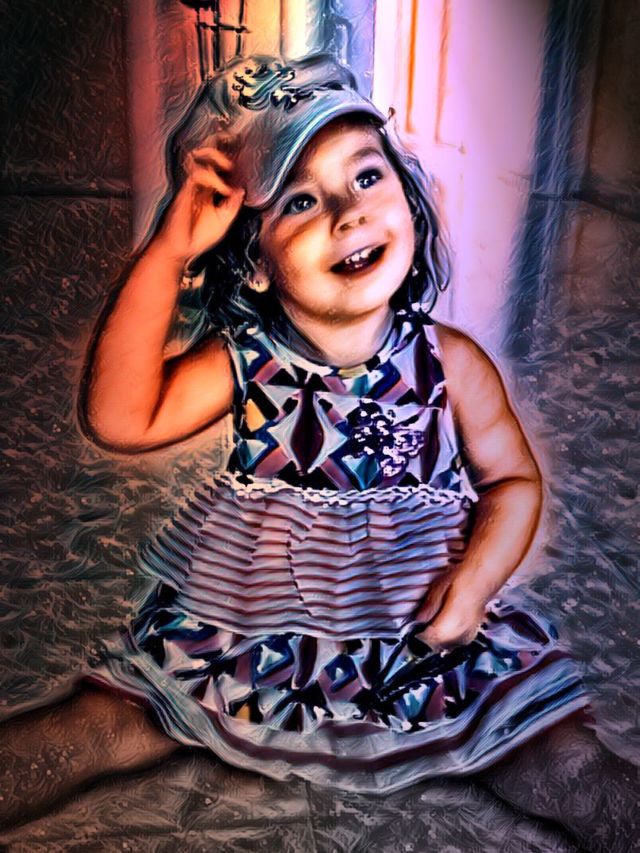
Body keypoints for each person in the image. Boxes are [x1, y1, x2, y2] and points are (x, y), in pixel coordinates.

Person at [0, 54, 637, 850]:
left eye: (366, 177)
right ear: (255, 262)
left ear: (407, 196)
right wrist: (167, 252)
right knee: (98, 727)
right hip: (254, 635)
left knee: (567, 764)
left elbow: (512, 481)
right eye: (300, 200)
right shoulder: (247, 361)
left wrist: (475, 584)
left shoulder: (450, 362)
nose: (347, 213)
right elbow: (123, 418)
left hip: (421, 632)